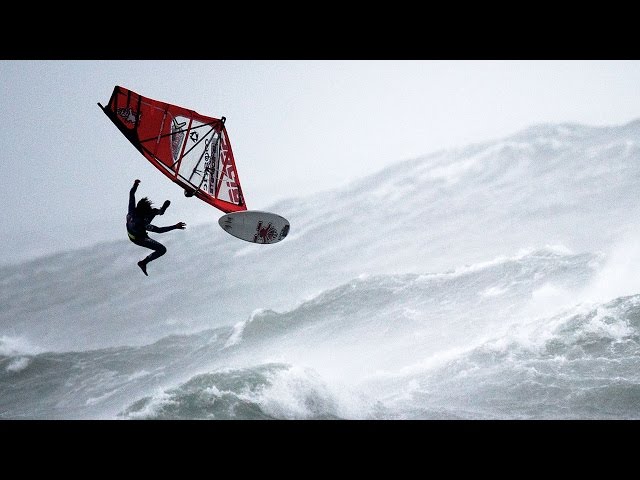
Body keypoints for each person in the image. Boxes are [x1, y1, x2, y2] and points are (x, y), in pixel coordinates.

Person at [127, 179, 186, 276]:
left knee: (153, 211)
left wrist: (135, 185)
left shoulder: (132, 210)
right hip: (139, 238)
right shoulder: (142, 223)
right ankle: (143, 262)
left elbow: (131, 194)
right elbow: (159, 230)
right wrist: (175, 226)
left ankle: (161, 211)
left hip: (137, 229)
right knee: (162, 249)